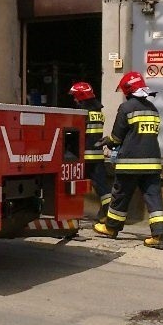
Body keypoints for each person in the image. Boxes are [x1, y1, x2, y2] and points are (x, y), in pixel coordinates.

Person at [94, 70, 163, 249]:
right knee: (153, 197)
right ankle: (158, 235)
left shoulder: (126, 108)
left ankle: (111, 228)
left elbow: (117, 138)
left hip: (130, 162)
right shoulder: (153, 109)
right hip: (152, 162)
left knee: (120, 195)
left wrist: (107, 142)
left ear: (128, 90)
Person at [68, 81, 112, 221]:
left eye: (75, 96)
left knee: (73, 185)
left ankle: (71, 215)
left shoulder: (82, 114)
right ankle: (107, 215)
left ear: (81, 96)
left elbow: (74, 135)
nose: (74, 99)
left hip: (83, 157)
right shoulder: (99, 113)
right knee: (102, 187)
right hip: (97, 156)